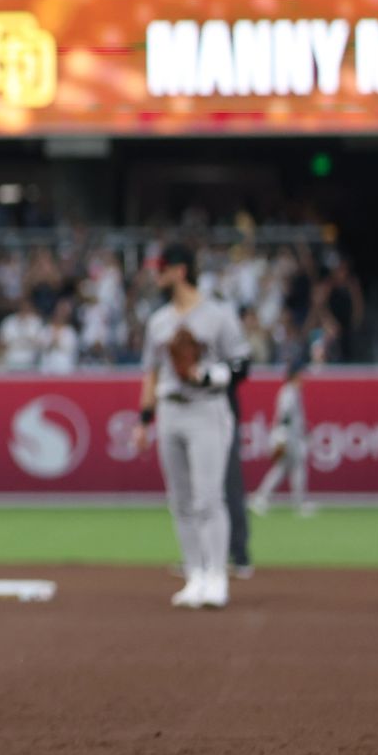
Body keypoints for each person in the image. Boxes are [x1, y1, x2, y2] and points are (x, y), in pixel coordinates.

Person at [137, 244, 251, 609]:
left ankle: (217, 576)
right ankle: (196, 575)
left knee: (209, 498)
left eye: (162, 268)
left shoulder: (218, 315)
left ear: (180, 270)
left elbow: (242, 365)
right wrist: (144, 419)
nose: (157, 275)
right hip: (171, 411)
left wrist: (210, 375)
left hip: (207, 410)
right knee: (181, 501)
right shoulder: (159, 321)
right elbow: (151, 374)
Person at [251, 356, 316, 517]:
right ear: (295, 374)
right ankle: (299, 503)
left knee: (282, 469)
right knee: (296, 467)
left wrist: (303, 430)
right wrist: (282, 438)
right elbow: (284, 417)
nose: (304, 377)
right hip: (288, 437)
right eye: (301, 373)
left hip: (292, 435)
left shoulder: (293, 391)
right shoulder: (288, 392)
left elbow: (295, 418)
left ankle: (261, 498)